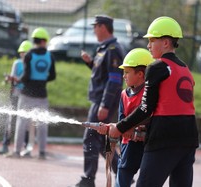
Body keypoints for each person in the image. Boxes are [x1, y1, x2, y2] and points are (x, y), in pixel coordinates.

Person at [104, 16, 199, 187]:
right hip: (189, 137)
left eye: (152, 40)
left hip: (164, 137)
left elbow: (146, 108)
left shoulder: (157, 67)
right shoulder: (185, 69)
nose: (148, 45)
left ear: (165, 42)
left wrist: (119, 127)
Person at [72, 15, 125, 187]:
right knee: (101, 141)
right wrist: (90, 63)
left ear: (103, 27)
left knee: (90, 139)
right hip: (99, 100)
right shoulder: (103, 49)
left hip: (102, 102)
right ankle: (124, 172)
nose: (94, 30)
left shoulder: (112, 49)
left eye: (95, 26)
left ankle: (88, 180)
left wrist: (104, 104)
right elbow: (103, 73)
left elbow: (115, 80)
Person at [98, 48, 153, 187]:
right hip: (129, 145)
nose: (124, 76)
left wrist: (139, 131)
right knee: (123, 174)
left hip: (148, 145)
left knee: (148, 179)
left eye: (127, 72)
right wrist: (115, 131)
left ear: (140, 74)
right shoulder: (124, 94)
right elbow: (122, 120)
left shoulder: (150, 94)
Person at [7, 27, 56, 159]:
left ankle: (17, 152)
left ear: (34, 40)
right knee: (42, 125)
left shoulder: (29, 55)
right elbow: (52, 76)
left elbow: (26, 76)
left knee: (21, 123)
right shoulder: (50, 56)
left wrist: (19, 80)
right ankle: (41, 153)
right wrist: (42, 79)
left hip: (27, 93)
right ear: (44, 41)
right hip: (42, 95)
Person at [0, 40, 33, 155]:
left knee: (25, 120)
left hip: (25, 95)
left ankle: (26, 146)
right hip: (17, 94)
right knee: (12, 119)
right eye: (22, 52)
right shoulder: (18, 63)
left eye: (24, 52)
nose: (22, 54)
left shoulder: (27, 65)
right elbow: (13, 78)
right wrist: (11, 80)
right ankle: (6, 144)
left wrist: (12, 79)